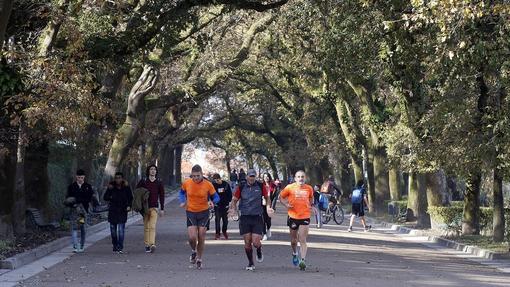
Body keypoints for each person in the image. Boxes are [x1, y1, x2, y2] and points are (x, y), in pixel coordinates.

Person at [229, 169, 272, 271]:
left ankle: (259, 249)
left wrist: (268, 207)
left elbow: (267, 197)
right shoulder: (242, 186)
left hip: (257, 216)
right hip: (245, 217)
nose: (252, 178)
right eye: (250, 176)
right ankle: (250, 263)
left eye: (253, 176)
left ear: (255, 177)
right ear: (247, 177)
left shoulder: (260, 186)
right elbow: (234, 199)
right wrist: (234, 210)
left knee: (256, 242)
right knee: (247, 241)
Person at [179, 164, 219, 270]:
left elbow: (216, 197)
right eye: (193, 176)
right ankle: (193, 251)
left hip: (204, 212)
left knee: (201, 235)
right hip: (191, 211)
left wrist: (212, 202)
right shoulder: (187, 183)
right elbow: (181, 193)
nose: (195, 178)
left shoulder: (208, 184)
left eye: (198, 175)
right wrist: (182, 201)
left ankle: (199, 259)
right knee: (192, 237)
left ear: (202, 174)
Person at [279, 170, 314, 271]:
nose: (300, 179)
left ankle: (302, 260)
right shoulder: (289, 187)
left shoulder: (309, 188)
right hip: (293, 216)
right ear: (295, 178)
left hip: (305, 216)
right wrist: (285, 204)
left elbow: (311, 198)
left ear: (305, 178)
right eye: (298, 177)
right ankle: (295, 253)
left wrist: (310, 205)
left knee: (302, 239)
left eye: (302, 177)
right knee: (294, 241)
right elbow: (281, 197)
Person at [136, 164, 165, 253]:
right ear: (148, 171)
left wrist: (162, 208)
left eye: (154, 169)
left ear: (156, 171)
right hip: (145, 208)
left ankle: (152, 244)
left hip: (154, 208)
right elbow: (137, 192)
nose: (153, 171)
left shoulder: (159, 182)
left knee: (152, 226)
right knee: (146, 227)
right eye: (151, 169)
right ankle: (147, 245)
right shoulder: (143, 181)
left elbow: (162, 195)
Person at [65, 169, 95, 253]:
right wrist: (73, 203)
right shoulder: (71, 187)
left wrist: (79, 200)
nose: (80, 179)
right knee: (74, 227)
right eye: (78, 177)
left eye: (81, 177)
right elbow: (67, 198)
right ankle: (75, 246)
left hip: (83, 211)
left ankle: (81, 245)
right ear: (76, 177)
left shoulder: (88, 186)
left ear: (84, 177)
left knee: (82, 228)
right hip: (74, 210)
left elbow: (89, 198)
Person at [103, 172, 133, 253]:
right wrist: (110, 195)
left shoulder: (126, 187)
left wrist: (129, 206)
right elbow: (105, 197)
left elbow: (130, 198)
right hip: (113, 211)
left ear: (122, 178)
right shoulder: (111, 187)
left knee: (121, 230)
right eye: (116, 178)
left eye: (119, 177)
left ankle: (120, 246)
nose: (118, 179)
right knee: (113, 231)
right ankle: (115, 245)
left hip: (123, 211)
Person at [212, 173, 233, 240]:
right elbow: (211, 194)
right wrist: (213, 201)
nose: (216, 181)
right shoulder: (214, 185)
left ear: (219, 178)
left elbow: (230, 194)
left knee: (225, 221)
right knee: (217, 220)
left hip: (225, 205)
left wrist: (229, 202)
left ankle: (224, 231)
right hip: (217, 206)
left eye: (217, 180)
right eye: (215, 180)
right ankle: (217, 233)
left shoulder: (226, 184)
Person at [262, 173, 277, 240]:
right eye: (264, 177)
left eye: (267, 176)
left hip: (270, 205)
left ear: (269, 177)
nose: (266, 178)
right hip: (262, 205)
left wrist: (272, 207)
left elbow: (275, 197)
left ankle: (268, 228)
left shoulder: (273, 186)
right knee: (262, 220)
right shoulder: (261, 185)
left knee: (268, 220)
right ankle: (264, 234)